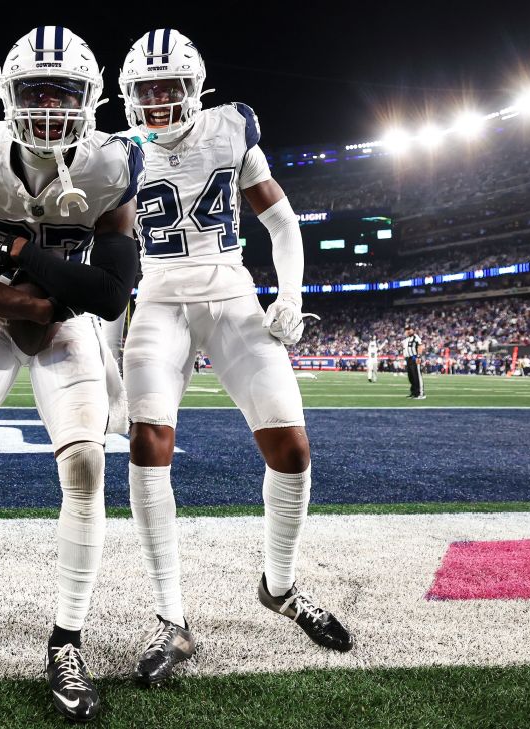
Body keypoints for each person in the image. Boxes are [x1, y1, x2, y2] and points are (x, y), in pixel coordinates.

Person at [116, 29, 351, 689]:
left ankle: (279, 586)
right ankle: (172, 618)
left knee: (293, 450)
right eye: (147, 90)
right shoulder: (115, 153)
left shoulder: (230, 129)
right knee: (147, 440)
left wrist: (291, 293)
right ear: (129, 97)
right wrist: (110, 361)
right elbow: (105, 259)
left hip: (231, 294)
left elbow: (282, 222)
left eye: (171, 87)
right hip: (159, 302)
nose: (159, 100)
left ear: (195, 90)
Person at [0, 27, 140, 722]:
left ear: (91, 99)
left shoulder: (112, 165)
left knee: (85, 467)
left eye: (63, 92)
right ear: (6, 96)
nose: (48, 106)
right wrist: (25, 300)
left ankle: (66, 639)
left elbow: (111, 293)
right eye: (33, 91)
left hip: (72, 322)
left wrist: (45, 288)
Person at [404, 326, 424, 399]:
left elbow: (421, 346)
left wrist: (418, 357)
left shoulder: (416, 337)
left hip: (414, 358)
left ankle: (421, 393)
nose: (408, 331)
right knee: (411, 377)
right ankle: (414, 393)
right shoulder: (406, 339)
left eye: (409, 330)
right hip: (408, 359)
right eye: (407, 330)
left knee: (417, 376)